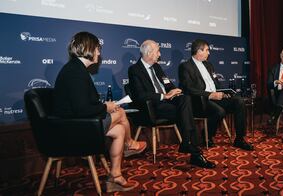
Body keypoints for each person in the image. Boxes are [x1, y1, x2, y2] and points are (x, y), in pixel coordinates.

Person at [53, 31, 147, 193]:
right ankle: (130, 144)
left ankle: (115, 177)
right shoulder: (75, 72)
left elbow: (82, 105)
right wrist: (106, 108)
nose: (99, 52)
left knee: (118, 130)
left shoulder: (77, 69)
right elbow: (82, 109)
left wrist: (105, 106)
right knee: (120, 114)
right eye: (97, 48)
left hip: (77, 124)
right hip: (71, 129)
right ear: (88, 48)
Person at [128, 40, 215, 168]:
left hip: (168, 103)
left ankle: (189, 144)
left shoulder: (156, 67)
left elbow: (167, 83)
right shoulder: (135, 70)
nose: (159, 54)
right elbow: (139, 95)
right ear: (149, 53)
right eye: (158, 51)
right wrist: (164, 96)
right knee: (185, 111)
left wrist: (174, 91)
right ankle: (193, 150)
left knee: (185, 99)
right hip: (153, 106)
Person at [179, 39, 254, 151]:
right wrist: (210, 95)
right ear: (199, 51)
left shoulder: (208, 65)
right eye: (207, 50)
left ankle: (239, 139)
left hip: (216, 97)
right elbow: (188, 89)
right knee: (219, 111)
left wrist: (224, 92)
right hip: (201, 100)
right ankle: (207, 135)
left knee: (239, 101)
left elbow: (216, 83)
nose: (209, 53)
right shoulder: (185, 66)